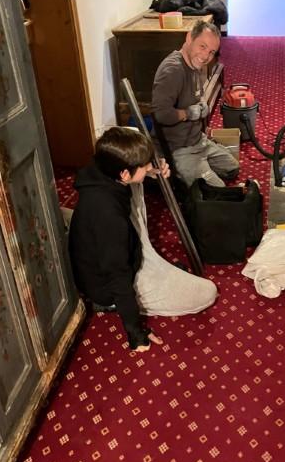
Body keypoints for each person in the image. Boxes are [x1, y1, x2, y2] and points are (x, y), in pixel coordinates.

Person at [69, 127, 217, 353]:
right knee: (207, 292)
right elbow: (118, 276)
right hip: (108, 285)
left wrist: (150, 172)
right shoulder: (108, 218)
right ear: (124, 174)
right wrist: (135, 332)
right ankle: (110, 305)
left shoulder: (102, 166)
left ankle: (150, 264)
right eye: (144, 165)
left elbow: (134, 164)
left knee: (133, 141)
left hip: (125, 249)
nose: (150, 166)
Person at [152, 20, 239, 187]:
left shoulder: (194, 64)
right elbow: (161, 114)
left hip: (198, 140)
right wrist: (188, 113)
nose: (206, 56)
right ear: (189, 38)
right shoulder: (173, 71)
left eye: (212, 52)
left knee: (232, 168)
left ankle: (202, 166)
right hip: (180, 148)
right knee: (217, 191)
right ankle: (182, 173)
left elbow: (192, 96)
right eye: (202, 46)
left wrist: (201, 105)